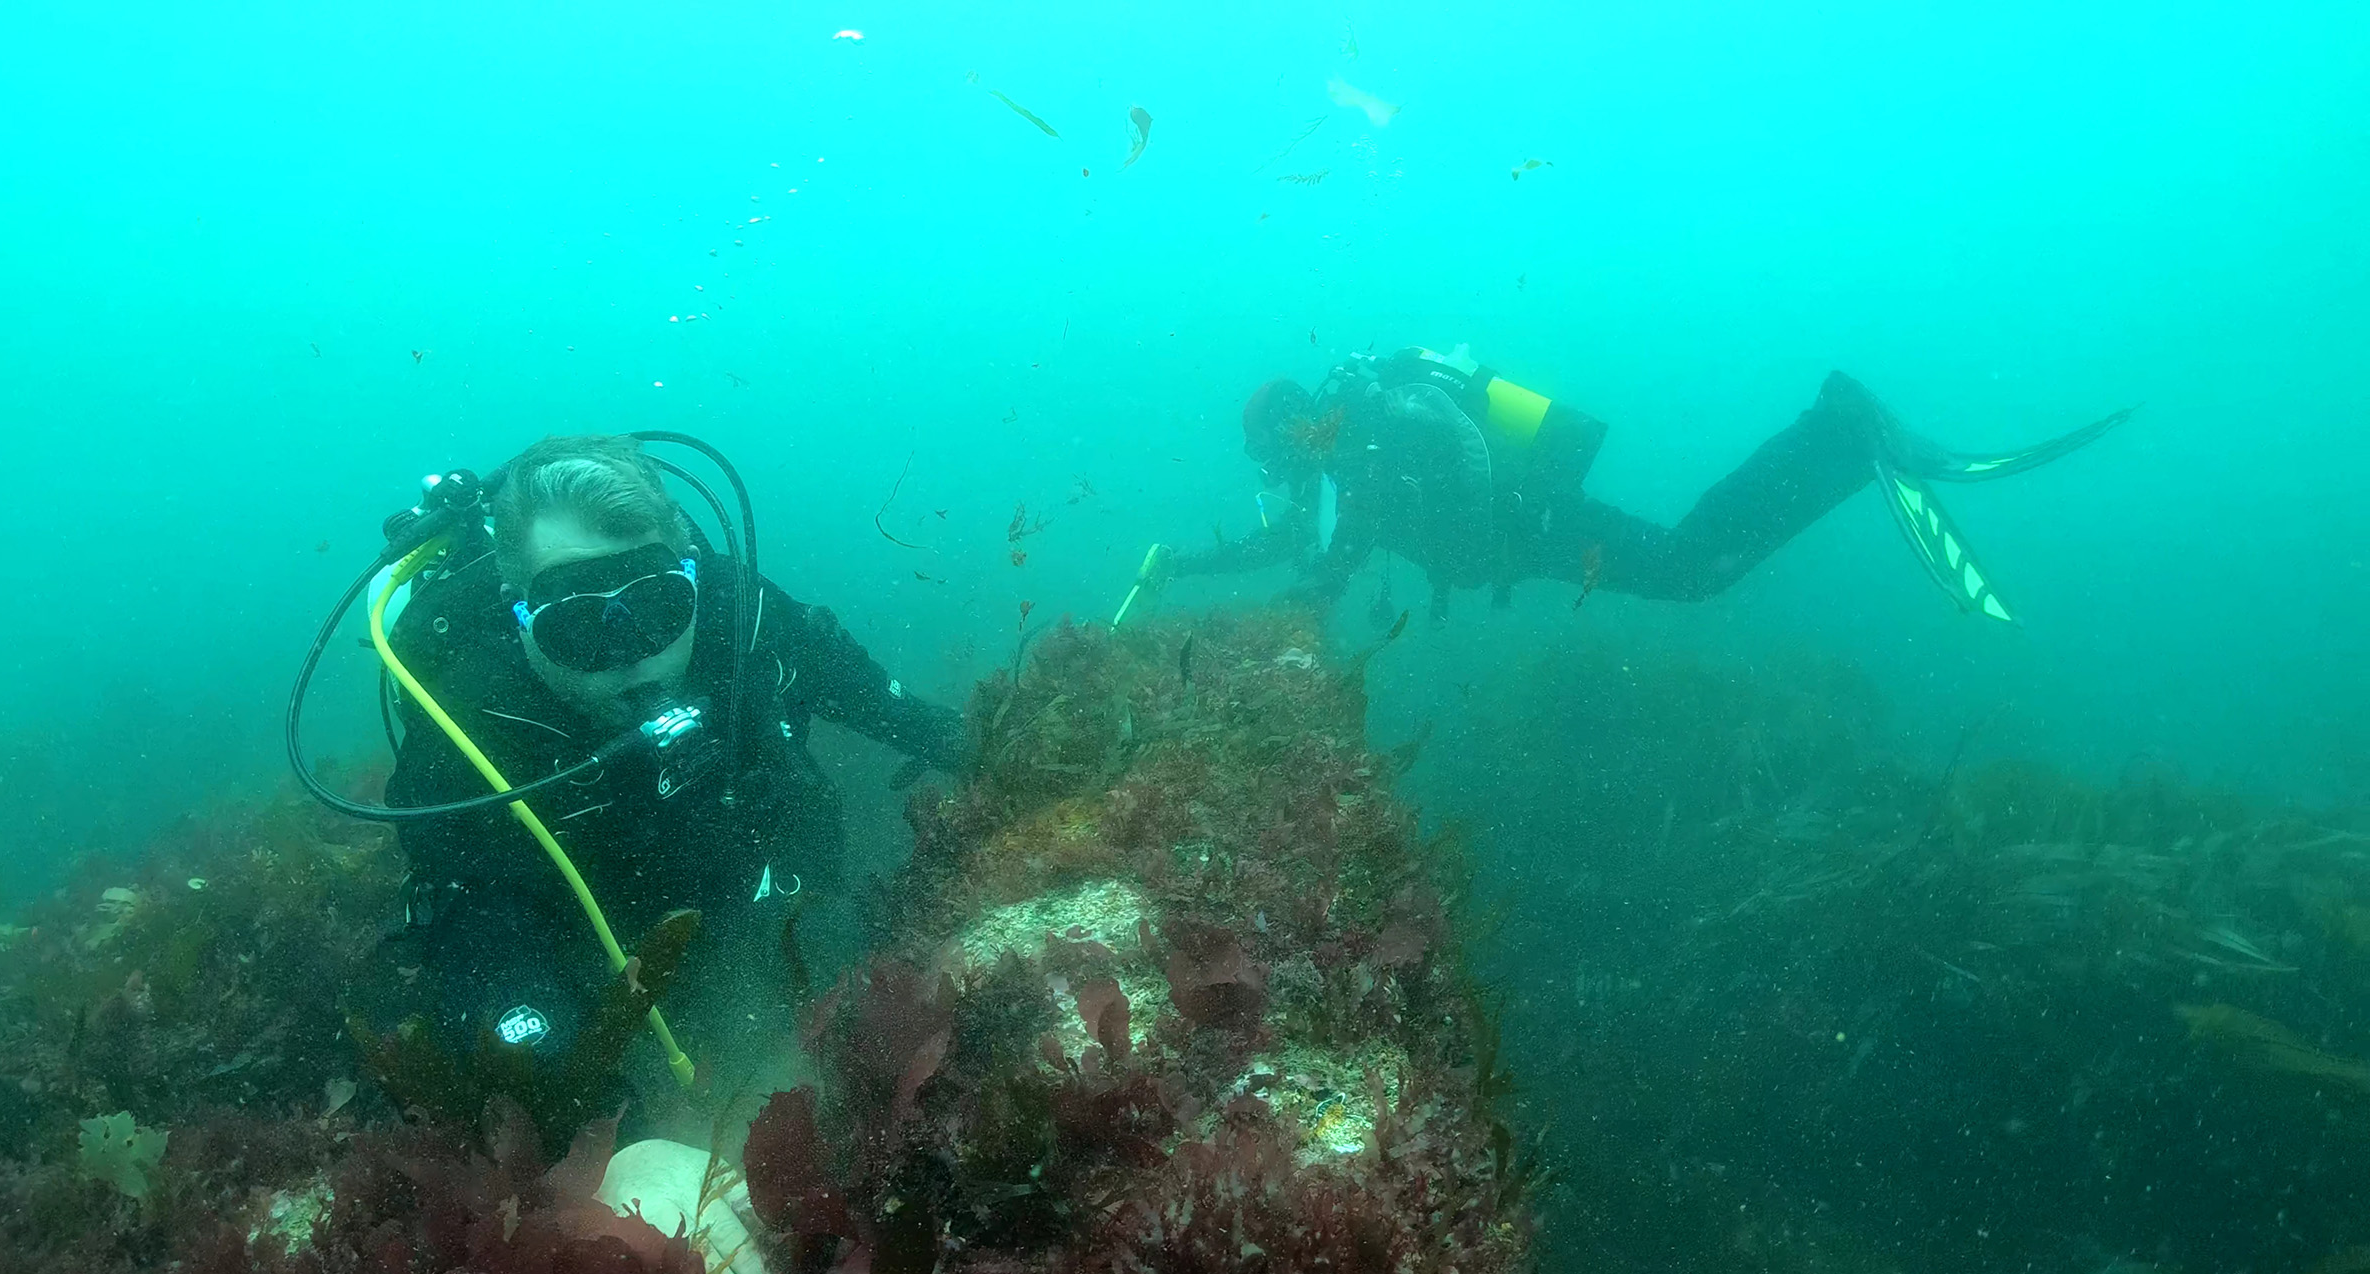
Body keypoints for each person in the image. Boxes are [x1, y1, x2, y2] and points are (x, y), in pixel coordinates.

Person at [379, 433, 963, 1075]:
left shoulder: (741, 614)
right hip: (588, 939)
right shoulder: (469, 714)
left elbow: (902, 714)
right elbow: (474, 918)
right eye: (577, 624)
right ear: (517, 613)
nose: (633, 654)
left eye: (658, 607)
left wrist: (1013, 756)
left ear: (690, 572)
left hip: (772, 903)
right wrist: (556, 1067)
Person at [1152, 343, 2129, 623]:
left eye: (1275, 457)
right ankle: (1833, 439)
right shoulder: (1350, 470)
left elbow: (1459, 450)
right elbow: (1298, 543)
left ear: (1294, 426)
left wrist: (1465, 533)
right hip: (1531, 540)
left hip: (1540, 526)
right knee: (1686, 566)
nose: (1279, 476)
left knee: (1689, 570)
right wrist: (1185, 567)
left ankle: (1836, 431)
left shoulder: (1379, 422)